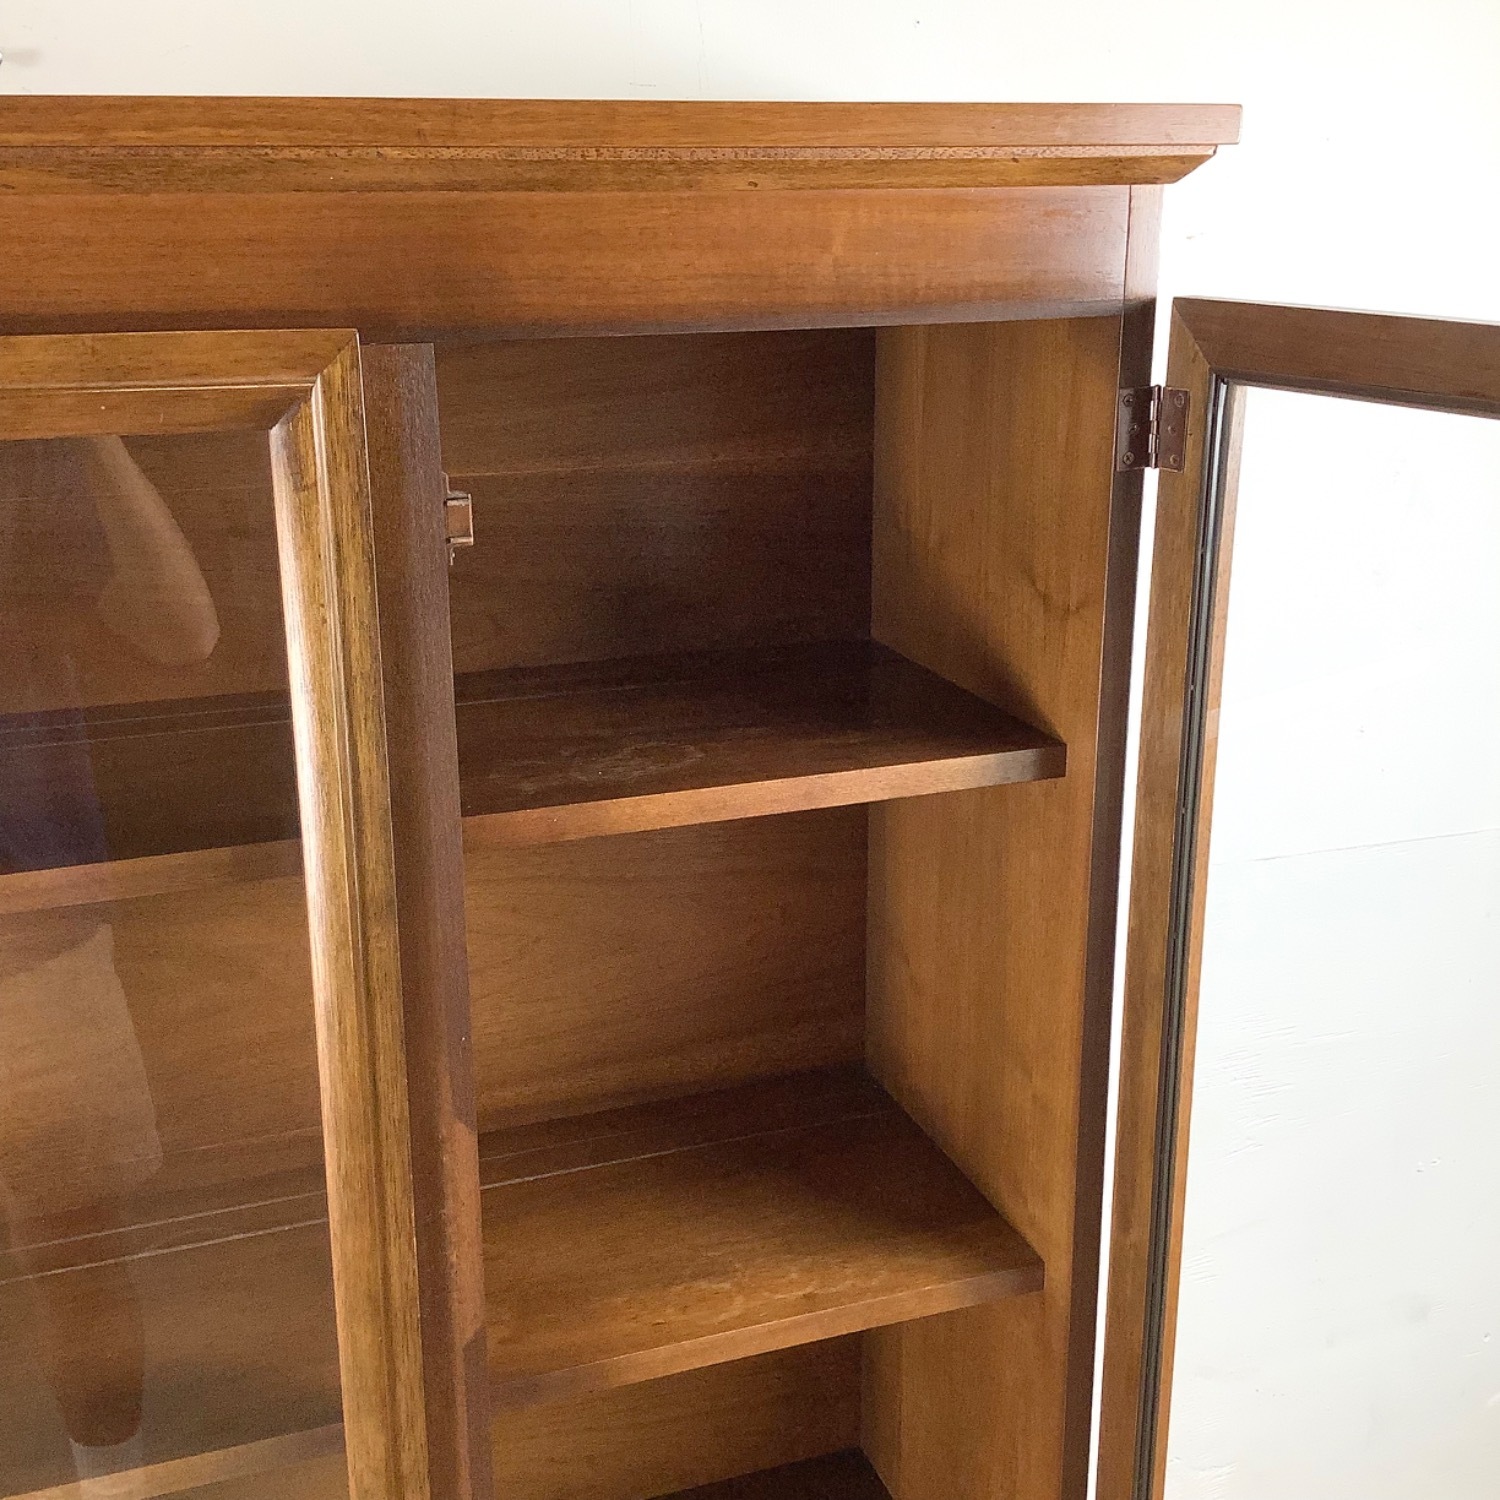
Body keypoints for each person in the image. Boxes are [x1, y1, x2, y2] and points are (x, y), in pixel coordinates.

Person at [0, 435, 220, 1495]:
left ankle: (110, 1486)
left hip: (35, 915)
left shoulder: (35, 451)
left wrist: (94, 417)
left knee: (74, 1244)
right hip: (41, 910)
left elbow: (183, 634)